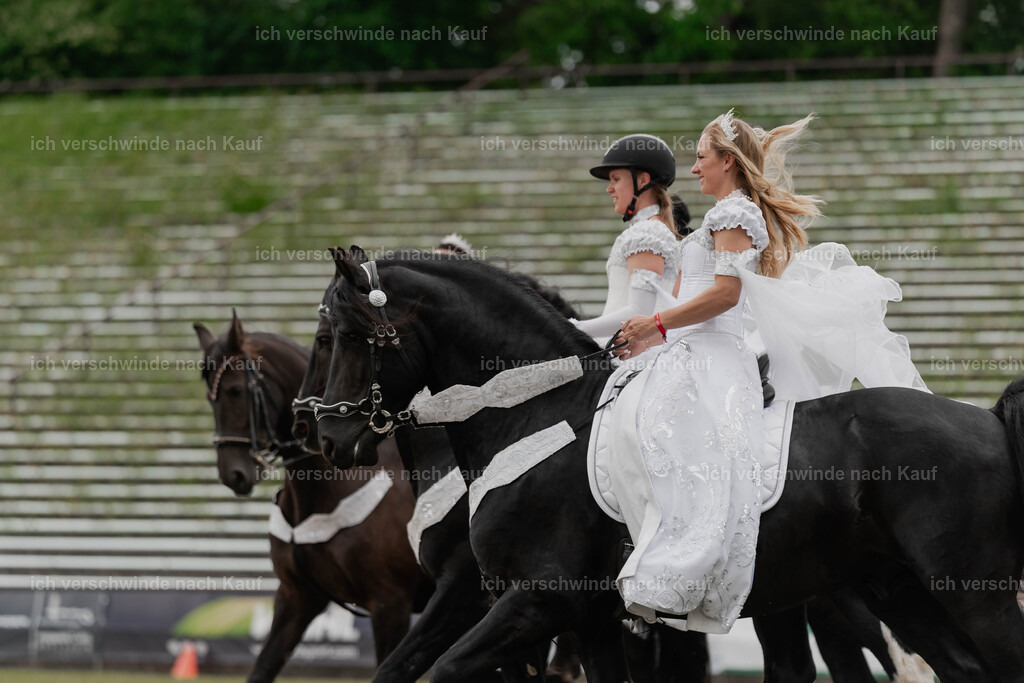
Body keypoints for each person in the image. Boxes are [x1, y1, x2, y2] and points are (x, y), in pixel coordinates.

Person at [609, 109, 929, 634]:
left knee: (674, 440)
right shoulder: (721, 216)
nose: (694, 169)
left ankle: (683, 571)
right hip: (688, 347)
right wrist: (647, 330)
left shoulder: (734, 213)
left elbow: (726, 294)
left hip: (712, 357)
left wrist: (657, 325)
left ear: (728, 162)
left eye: (701, 158)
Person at [572, 134, 684, 350]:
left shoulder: (647, 231)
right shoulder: (651, 229)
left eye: (616, 179)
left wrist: (574, 328)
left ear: (642, 180)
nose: (609, 188)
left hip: (630, 356)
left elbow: (638, 311)